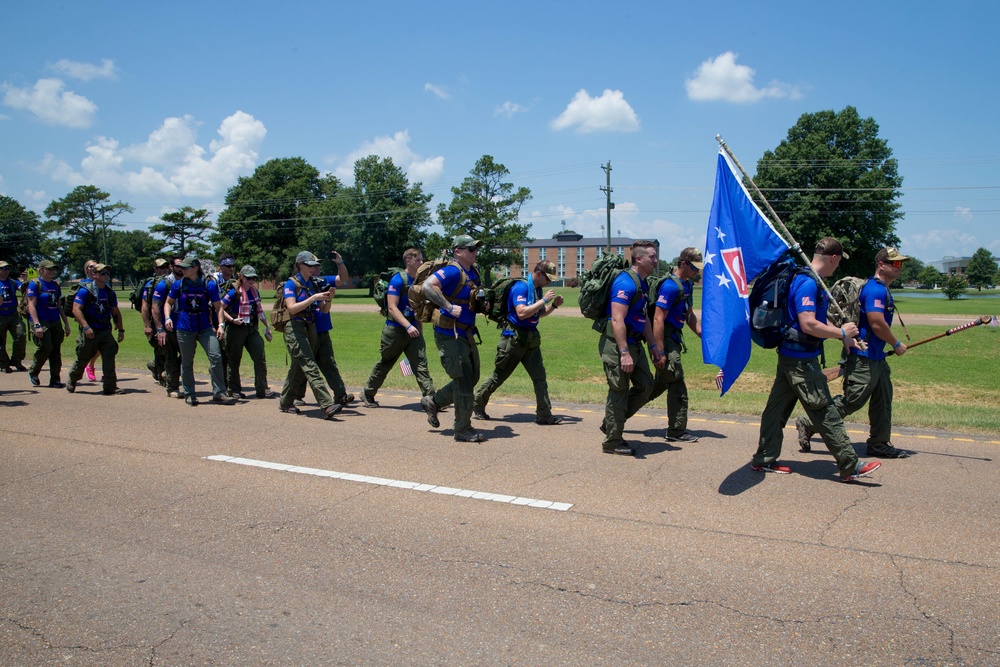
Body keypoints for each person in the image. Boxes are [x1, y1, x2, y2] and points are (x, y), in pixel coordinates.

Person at [752, 237, 882, 482]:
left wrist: (842, 337)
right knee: (824, 410)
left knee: (775, 411)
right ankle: (849, 464)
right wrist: (842, 332)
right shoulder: (807, 283)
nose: (838, 267)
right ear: (833, 258)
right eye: (839, 261)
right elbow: (808, 323)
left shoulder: (810, 280)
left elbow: (819, 319)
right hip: (801, 361)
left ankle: (764, 459)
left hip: (791, 358)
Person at [796, 247, 913, 459]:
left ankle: (879, 443)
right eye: (895, 263)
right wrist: (896, 344)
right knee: (853, 400)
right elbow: (876, 323)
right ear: (881, 265)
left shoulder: (883, 289)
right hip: (863, 357)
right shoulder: (875, 290)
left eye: (901, 264)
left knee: (883, 399)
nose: (899, 268)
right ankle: (809, 422)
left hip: (876, 358)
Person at [472, 259, 565, 425]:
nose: (549, 282)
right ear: (538, 273)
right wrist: (544, 300)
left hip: (531, 338)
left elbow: (539, 314)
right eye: (548, 278)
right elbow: (521, 313)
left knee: (539, 378)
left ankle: (544, 414)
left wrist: (553, 306)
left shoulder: (536, 289)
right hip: (514, 339)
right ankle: (477, 404)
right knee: (499, 376)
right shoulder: (521, 287)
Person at [598, 241, 665, 456]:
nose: (656, 261)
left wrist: (653, 345)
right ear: (639, 259)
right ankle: (613, 441)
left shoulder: (642, 283)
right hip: (619, 345)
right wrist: (624, 352)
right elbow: (617, 319)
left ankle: (611, 422)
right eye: (652, 257)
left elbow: (643, 316)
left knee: (646, 386)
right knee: (619, 391)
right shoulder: (625, 283)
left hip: (635, 343)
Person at [420, 235, 486, 443]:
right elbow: (427, 287)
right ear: (458, 251)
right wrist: (447, 307)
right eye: (471, 249)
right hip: (450, 335)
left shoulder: (473, 271)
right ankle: (462, 429)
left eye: (476, 249)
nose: (475, 252)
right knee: (464, 381)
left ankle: (434, 402)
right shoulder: (452, 270)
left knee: (471, 378)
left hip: (466, 332)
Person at [361, 248, 435, 407]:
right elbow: (392, 308)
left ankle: (431, 399)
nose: (421, 263)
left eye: (422, 260)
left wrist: (418, 329)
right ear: (408, 261)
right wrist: (408, 326)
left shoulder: (420, 280)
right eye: (418, 260)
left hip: (413, 328)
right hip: (395, 330)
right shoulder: (398, 280)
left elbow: (418, 308)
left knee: (421, 364)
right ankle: (367, 393)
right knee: (386, 363)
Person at [276, 251, 343, 419]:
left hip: (310, 326)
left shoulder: (313, 283)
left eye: (314, 266)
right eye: (310, 265)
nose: (313, 269)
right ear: (300, 265)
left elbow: (324, 309)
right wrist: (313, 298)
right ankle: (326, 405)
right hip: (295, 326)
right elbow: (291, 308)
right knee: (309, 364)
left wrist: (328, 299)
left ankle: (285, 401)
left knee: (299, 366)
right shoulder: (290, 284)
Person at [647, 247, 704, 443]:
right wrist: (659, 351)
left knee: (651, 388)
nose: (697, 271)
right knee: (677, 383)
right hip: (665, 340)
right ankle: (676, 431)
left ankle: (614, 419)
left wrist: (704, 337)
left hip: (674, 340)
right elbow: (657, 319)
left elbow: (689, 316)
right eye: (694, 267)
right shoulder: (671, 287)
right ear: (682, 264)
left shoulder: (686, 286)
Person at [163, 257, 235, 406]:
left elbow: (218, 307)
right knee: (187, 362)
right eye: (181, 267)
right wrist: (167, 318)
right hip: (184, 328)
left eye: (185, 267)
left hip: (204, 327)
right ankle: (189, 393)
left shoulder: (208, 285)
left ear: (195, 268)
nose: (182, 270)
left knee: (216, 356)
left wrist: (221, 325)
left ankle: (219, 392)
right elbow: (168, 303)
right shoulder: (178, 285)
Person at [66, 264, 125, 394]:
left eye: (107, 274)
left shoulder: (109, 292)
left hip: (105, 330)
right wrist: (86, 327)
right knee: (83, 358)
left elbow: (115, 311)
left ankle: (110, 387)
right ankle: (73, 379)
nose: (106, 276)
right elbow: (76, 309)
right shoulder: (85, 291)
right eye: (102, 273)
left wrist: (121, 329)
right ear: (95, 275)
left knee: (109, 357)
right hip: (90, 330)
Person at [219, 265, 275, 399]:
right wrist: (232, 320)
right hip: (236, 329)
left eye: (253, 278)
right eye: (248, 278)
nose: (251, 281)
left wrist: (267, 327)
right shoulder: (234, 292)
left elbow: (259, 311)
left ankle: (262, 388)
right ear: (242, 278)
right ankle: (233, 389)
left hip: (251, 328)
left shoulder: (255, 292)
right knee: (234, 360)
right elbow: (220, 308)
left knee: (260, 357)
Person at [25, 260, 72, 387]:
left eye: (53, 270)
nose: (52, 272)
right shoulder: (35, 285)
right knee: (46, 347)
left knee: (56, 350)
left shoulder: (55, 285)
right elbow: (31, 306)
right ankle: (34, 371)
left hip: (55, 320)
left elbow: (59, 306)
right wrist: (36, 324)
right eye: (49, 269)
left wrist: (66, 323)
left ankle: (55, 379)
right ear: (41, 270)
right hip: (41, 320)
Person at [153, 256, 185, 398]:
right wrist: (159, 329)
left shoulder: (188, 282)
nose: (180, 268)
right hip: (169, 326)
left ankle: (167, 372)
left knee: (187, 355)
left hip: (185, 325)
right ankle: (172, 388)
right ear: (172, 267)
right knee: (171, 355)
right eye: (178, 265)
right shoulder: (164, 285)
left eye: (183, 265)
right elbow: (155, 307)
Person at [140, 258, 170, 385]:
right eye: (160, 268)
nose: (164, 270)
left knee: (171, 348)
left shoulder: (171, 281)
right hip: (157, 320)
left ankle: (154, 366)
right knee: (160, 348)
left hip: (171, 320)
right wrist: (147, 325)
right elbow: (145, 306)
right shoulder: (151, 285)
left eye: (165, 267)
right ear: (155, 269)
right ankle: (161, 374)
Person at [0, 261, 27, 373]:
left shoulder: (12, 282)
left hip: (13, 313)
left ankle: (16, 361)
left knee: (21, 335)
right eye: (3, 268)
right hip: (0, 314)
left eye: (7, 268)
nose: (6, 270)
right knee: (1, 342)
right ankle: (3, 364)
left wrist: (25, 281)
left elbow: (23, 288)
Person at [80, 260, 102, 383]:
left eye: (96, 266)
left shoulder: (102, 283)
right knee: (87, 348)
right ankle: (85, 367)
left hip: (102, 320)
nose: (94, 268)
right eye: (91, 266)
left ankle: (104, 371)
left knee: (105, 347)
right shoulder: (83, 285)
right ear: (86, 269)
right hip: (89, 321)